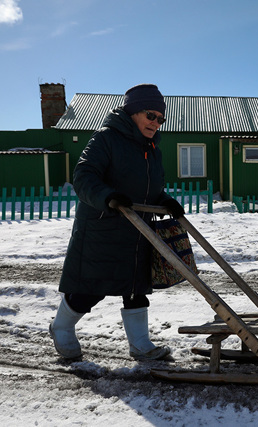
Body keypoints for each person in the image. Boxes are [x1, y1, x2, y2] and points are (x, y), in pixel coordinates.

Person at [50, 84, 185, 360]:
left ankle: (140, 345)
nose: (156, 123)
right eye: (151, 115)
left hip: (138, 231)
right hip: (103, 228)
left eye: (161, 118)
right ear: (133, 112)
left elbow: (146, 187)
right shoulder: (106, 139)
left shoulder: (152, 149)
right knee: (89, 290)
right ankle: (61, 327)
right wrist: (109, 197)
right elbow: (84, 176)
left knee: (136, 288)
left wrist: (164, 200)